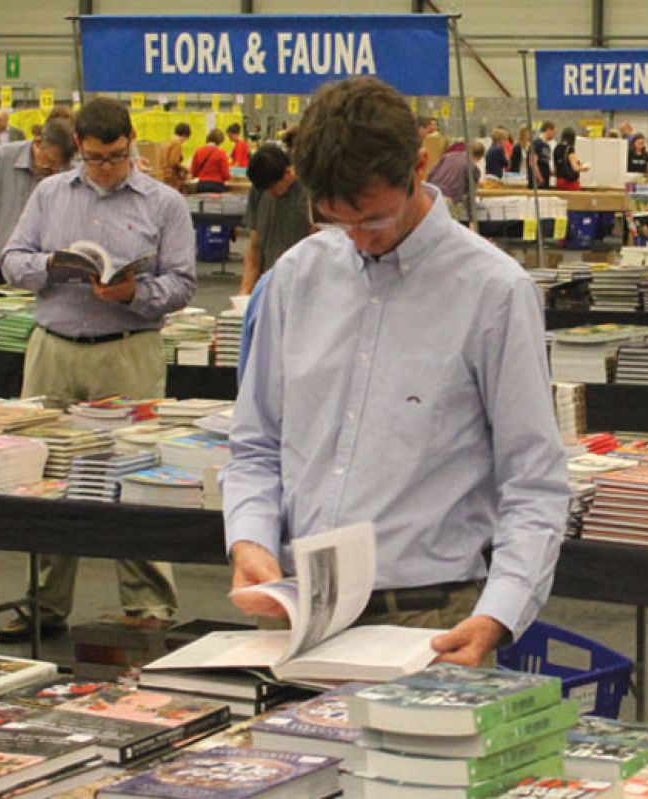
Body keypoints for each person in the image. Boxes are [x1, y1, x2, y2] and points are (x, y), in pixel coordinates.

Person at [222, 76, 568, 667]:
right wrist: (249, 538)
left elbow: (533, 479)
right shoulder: (296, 278)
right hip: (300, 609)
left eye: (374, 221)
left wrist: (499, 611)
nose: (358, 240)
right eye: (336, 222)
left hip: (430, 618)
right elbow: (257, 445)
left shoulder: (492, 292)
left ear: (419, 166)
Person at [0, 97, 195, 643]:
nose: (105, 168)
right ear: (77, 149)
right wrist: (51, 265)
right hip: (53, 348)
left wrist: (135, 291)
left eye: (114, 156)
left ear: (131, 142)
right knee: (48, 476)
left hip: (126, 348)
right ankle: (44, 603)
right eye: (93, 158)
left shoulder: (165, 204)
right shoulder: (49, 193)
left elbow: (182, 283)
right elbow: (12, 258)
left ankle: (148, 603)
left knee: (135, 475)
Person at [0, 119, 77, 305]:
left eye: (59, 167)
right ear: (38, 142)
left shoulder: (71, 172)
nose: (53, 171)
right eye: (50, 162)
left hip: (47, 277)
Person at [239, 145, 313, 296]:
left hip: (303, 287)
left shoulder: (310, 193)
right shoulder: (259, 189)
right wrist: (245, 291)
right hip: (268, 286)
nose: (269, 194)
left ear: (288, 173)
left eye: (272, 188)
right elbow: (254, 246)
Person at [190, 128, 232, 193]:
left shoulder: (198, 151)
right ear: (220, 141)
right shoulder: (221, 153)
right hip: (216, 186)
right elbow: (226, 175)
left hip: (202, 185)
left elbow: (194, 172)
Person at [160, 122, 190, 191]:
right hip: (171, 177)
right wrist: (186, 169)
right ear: (185, 135)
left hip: (163, 175)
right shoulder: (177, 143)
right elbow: (174, 162)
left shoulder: (169, 141)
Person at [530, 121, 556, 188]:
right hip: (537, 182)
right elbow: (532, 163)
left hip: (546, 181)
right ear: (548, 130)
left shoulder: (547, 147)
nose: (554, 134)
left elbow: (545, 164)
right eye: (554, 132)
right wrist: (539, 178)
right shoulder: (536, 143)